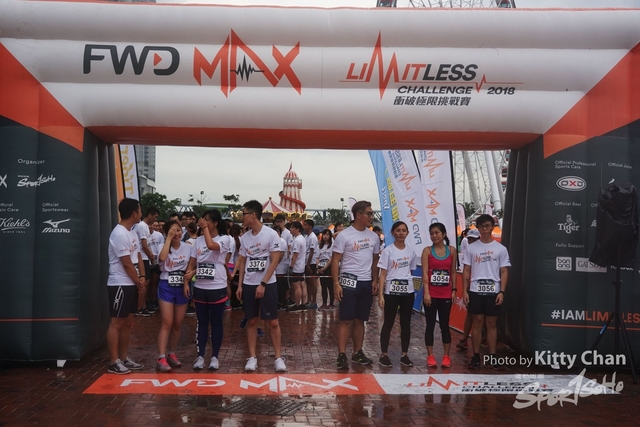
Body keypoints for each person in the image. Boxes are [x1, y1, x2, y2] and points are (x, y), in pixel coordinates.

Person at [236, 200, 287, 372]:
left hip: (268, 284)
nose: (242, 217)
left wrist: (263, 283)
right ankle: (252, 357)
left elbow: (274, 261)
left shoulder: (271, 234)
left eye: (244, 214)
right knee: (251, 321)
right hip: (249, 284)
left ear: (253, 215)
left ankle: (278, 358)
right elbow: (243, 262)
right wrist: (240, 285)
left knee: (273, 321)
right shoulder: (245, 237)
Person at [332, 200, 380, 370]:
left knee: (360, 320)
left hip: (366, 282)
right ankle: (342, 354)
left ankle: (357, 352)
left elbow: (375, 260)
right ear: (358, 215)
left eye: (372, 213)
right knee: (345, 320)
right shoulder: (344, 235)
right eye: (369, 213)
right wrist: (336, 283)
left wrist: (375, 280)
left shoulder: (374, 237)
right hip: (348, 282)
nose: (371, 216)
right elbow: (335, 260)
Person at [183, 209, 231, 370]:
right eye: (203, 219)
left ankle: (215, 357)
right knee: (202, 322)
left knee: (216, 322)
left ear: (215, 223)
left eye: (207, 220)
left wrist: (203, 229)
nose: (203, 222)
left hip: (217, 285)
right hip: (200, 286)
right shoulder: (198, 241)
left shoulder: (225, 239)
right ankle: (200, 356)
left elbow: (211, 246)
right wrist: (186, 281)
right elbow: (192, 262)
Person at [462, 214, 511, 369]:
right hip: (475, 290)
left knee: (491, 323)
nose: (484, 229)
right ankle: (476, 356)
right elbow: (466, 270)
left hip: (493, 291)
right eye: (481, 226)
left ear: (492, 227)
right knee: (477, 322)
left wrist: (502, 291)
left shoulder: (501, 249)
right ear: (477, 228)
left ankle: (492, 356)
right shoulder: (471, 248)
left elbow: (504, 271)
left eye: (487, 226)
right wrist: (465, 291)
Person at [105, 198, 145, 374]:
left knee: (128, 322)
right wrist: (138, 282)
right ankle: (114, 361)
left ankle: (123, 357)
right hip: (120, 283)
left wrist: (142, 277)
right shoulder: (119, 233)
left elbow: (138, 257)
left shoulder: (132, 233)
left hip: (132, 282)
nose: (141, 213)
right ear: (134, 213)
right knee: (117, 322)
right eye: (140, 210)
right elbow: (126, 263)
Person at [377, 221, 416, 368]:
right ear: (393, 233)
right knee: (388, 322)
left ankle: (404, 354)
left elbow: (410, 271)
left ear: (407, 233)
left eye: (403, 230)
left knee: (406, 323)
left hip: (407, 292)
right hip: (391, 292)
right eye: (398, 230)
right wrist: (381, 295)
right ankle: (384, 354)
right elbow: (383, 274)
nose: (401, 233)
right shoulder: (388, 251)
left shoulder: (411, 251)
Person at [155, 220, 192, 372]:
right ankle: (161, 357)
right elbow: (162, 259)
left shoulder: (188, 247)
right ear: (166, 233)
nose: (176, 233)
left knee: (177, 323)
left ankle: (172, 353)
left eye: (178, 230)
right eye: (172, 231)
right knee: (167, 322)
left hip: (182, 286)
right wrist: (168, 239)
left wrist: (187, 281)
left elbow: (191, 266)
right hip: (166, 285)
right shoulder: (162, 246)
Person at [422, 222, 458, 368]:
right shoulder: (427, 251)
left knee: (444, 325)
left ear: (443, 234)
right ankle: (430, 356)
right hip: (431, 294)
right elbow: (425, 273)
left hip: (446, 294)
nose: (434, 236)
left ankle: (446, 356)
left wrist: (454, 290)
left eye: (437, 233)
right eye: (432, 233)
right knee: (430, 324)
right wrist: (426, 292)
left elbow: (453, 272)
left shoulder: (452, 250)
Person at [456, 228, 480, 350]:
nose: (471, 241)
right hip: (472, 287)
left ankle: (483, 339)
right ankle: (464, 339)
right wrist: (465, 289)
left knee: (485, 317)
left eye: (473, 239)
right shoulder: (468, 252)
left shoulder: (486, 250)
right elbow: (465, 270)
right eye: (469, 239)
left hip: (485, 288)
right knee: (470, 314)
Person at [133, 207, 159, 316]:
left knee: (147, 283)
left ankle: (143, 305)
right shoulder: (142, 226)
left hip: (144, 257)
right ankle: (140, 307)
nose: (155, 219)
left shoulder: (142, 226)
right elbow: (144, 245)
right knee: (144, 283)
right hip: (142, 257)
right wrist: (150, 255)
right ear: (150, 215)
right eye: (155, 217)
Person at [287, 221, 307, 311]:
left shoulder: (297, 240)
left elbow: (295, 255)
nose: (290, 229)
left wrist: (291, 266)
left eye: (292, 228)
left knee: (297, 286)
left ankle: (298, 304)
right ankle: (303, 303)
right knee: (302, 284)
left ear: (297, 229)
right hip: (301, 266)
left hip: (296, 266)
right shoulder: (302, 238)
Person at [317, 229, 334, 310]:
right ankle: (324, 303)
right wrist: (318, 268)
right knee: (323, 286)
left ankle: (331, 303)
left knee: (330, 286)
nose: (325, 236)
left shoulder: (332, 245)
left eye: (327, 235)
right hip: (321, 265)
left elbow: (331, 258)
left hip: (328, 266)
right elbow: (317, 257)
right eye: (324, 234)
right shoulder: (319, 246)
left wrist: (325, 268)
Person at [303, 219, 319, 309]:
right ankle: (309, 300)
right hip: (306, 262)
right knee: (308, 282)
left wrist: (308, 264)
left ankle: (314, 301)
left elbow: (311, 251)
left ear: (310, 226)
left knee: (312, 282)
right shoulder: (306, 237)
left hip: (311, 262)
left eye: (305, 225)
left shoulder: (313, 237)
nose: (304, 227)